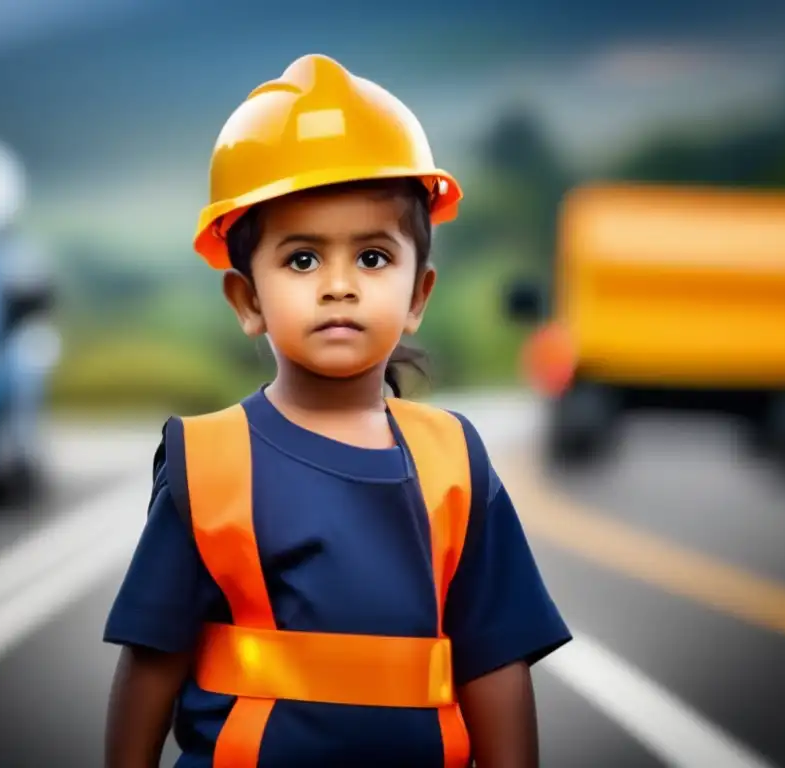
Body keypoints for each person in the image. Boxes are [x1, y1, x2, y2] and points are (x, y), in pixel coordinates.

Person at [103, 53, 571, 768]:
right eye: (301, 260)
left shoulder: (456, 462)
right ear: (248, 300)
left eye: (375, 258)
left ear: (419, 295)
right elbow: (152, 663)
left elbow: (495, 661)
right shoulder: (209, 463)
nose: (340, 286)